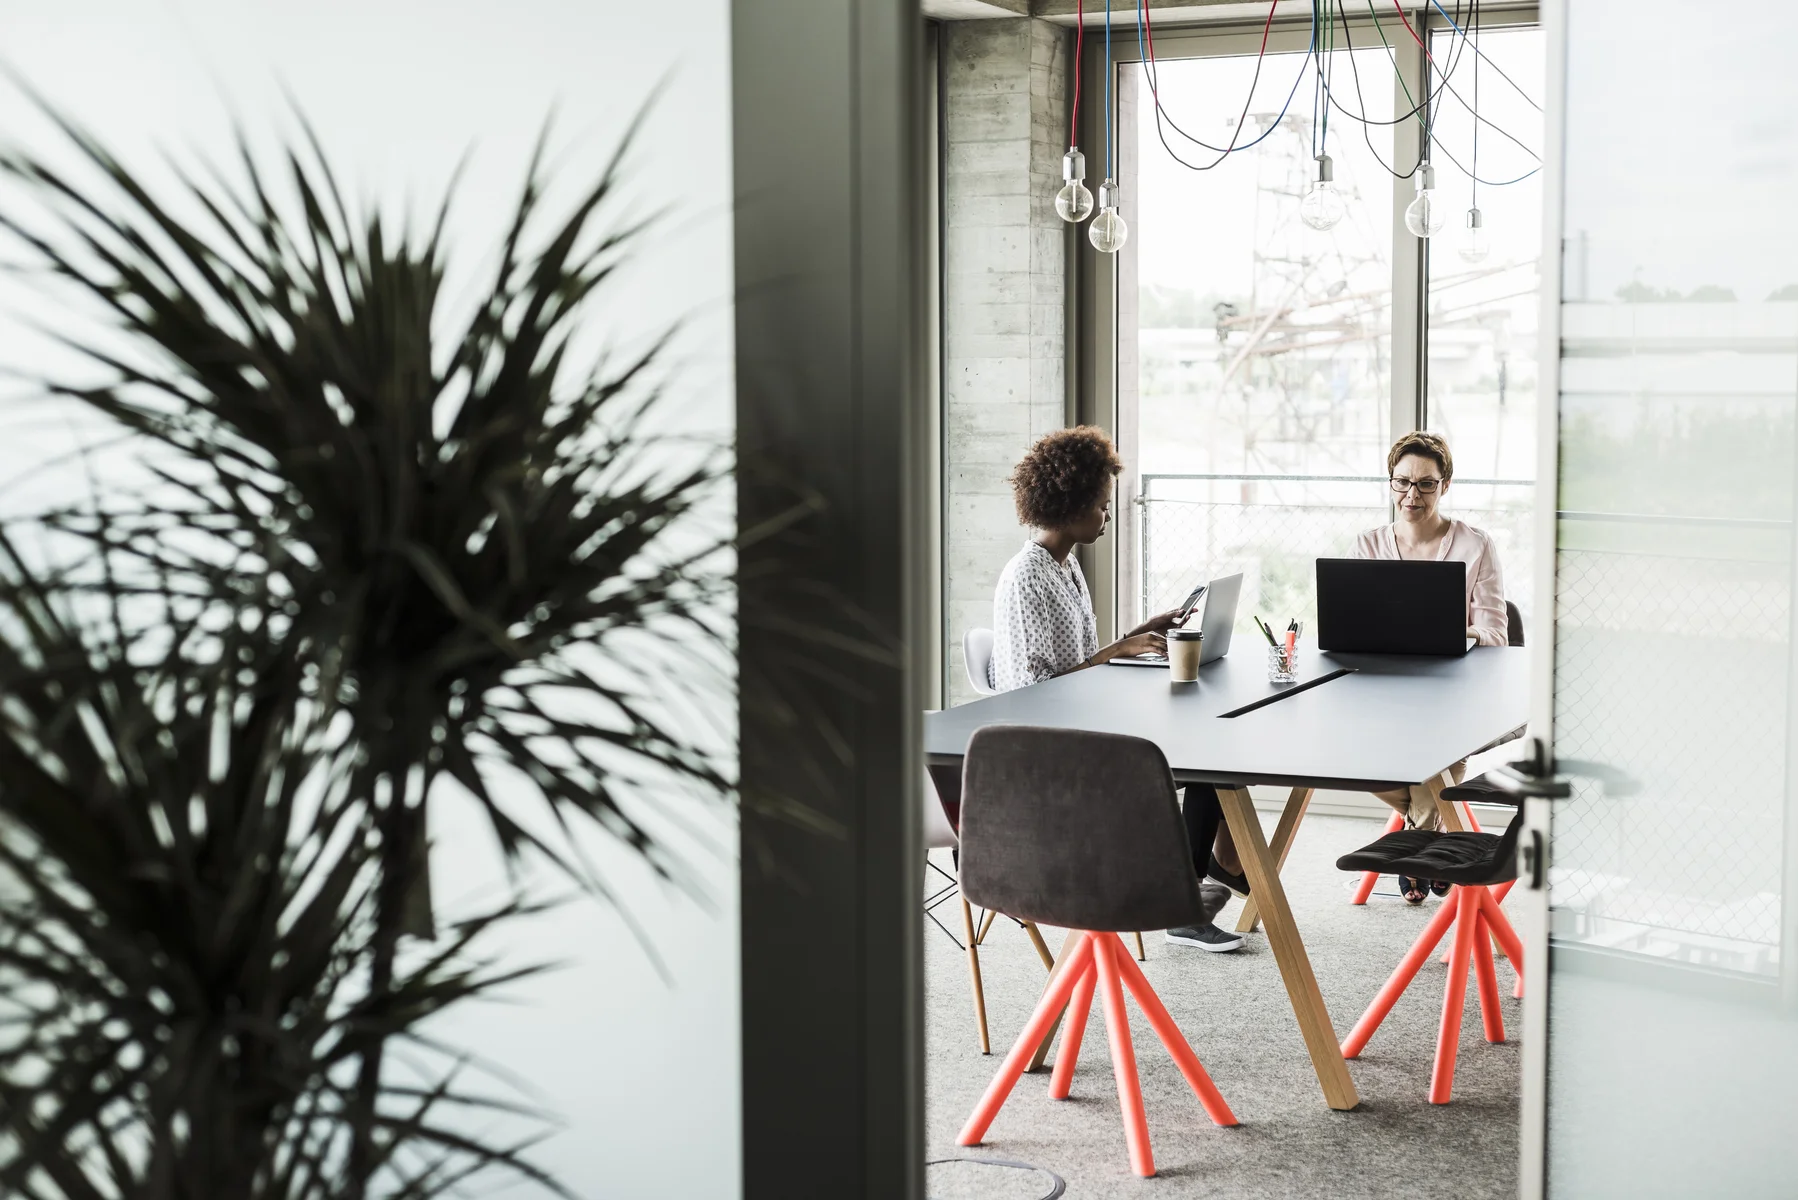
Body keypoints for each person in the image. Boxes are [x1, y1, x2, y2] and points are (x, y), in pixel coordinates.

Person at [988, 425, 1247, 951]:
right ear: (1071, 504)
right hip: (1054, 748)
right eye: (1103, 507)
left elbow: (1078, 660)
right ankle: (1194, 893)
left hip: (1090, 723)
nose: (1108, 518)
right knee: (1202, 760)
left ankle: (1204, 878)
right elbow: (1026, 693)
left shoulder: (1067, 566)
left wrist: (1134, 634)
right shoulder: (1024, 578)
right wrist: (1113, 654)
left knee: (1219, 749)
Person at [1356, 430, 1507, 902]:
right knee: (1342, 755)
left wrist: (1448, 633)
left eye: (1425, 484)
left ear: (1445, 485)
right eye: (1401, 483)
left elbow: (1496, 636)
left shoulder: (1475, 545)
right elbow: (1355, 626)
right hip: (1387, 688)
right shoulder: (1368, 544)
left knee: (1436, 744)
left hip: (1452, 690)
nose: (1411, 495)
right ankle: (1432, 833)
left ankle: (1418, 847)